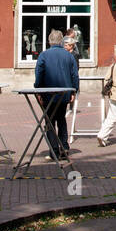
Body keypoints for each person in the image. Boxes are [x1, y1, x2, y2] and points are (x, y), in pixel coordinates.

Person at [33, 30, 78, 161]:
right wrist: (74, 90)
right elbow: (75, 75)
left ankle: (54, 150)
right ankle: (64, 148)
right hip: (64, 94)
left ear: (49, 41)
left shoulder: (44, 55)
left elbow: (39, 74)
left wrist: (38, 89)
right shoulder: (69, 56)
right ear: (61, 41)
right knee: (61, 120)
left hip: (48, 94)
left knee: (50, 122)